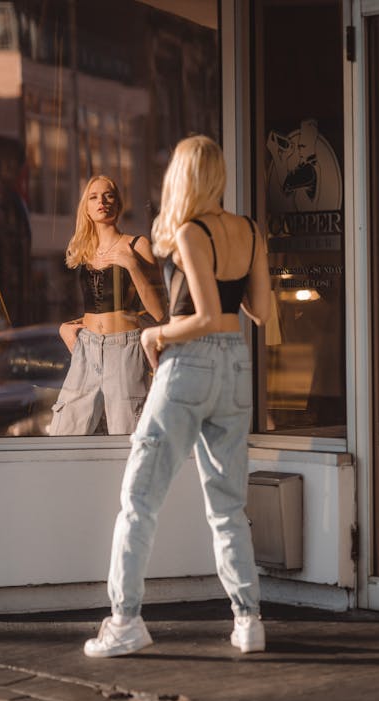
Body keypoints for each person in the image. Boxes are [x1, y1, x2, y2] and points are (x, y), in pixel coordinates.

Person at [83, 135, 272, 658]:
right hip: (237, 365)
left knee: (139, 499)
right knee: (229, 506)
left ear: (183, 176)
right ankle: (248, 619)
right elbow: (261, 311)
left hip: (191, 365)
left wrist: (156, 335)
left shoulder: (190, 230)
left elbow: (205, 315)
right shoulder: (251, 230)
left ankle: (124, 620)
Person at [49, 175, 164, 436]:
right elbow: (98, 307)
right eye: (93, 197)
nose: (102, 201)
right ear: (86, 208)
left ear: (119, 203)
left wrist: (132, 265)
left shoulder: (137, 245)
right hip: (87, 348)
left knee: (127, 437)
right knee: (63, 433)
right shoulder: (83, 250)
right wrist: (67, 328)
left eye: (108, 195)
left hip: (124, 348)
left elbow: (158, 311)